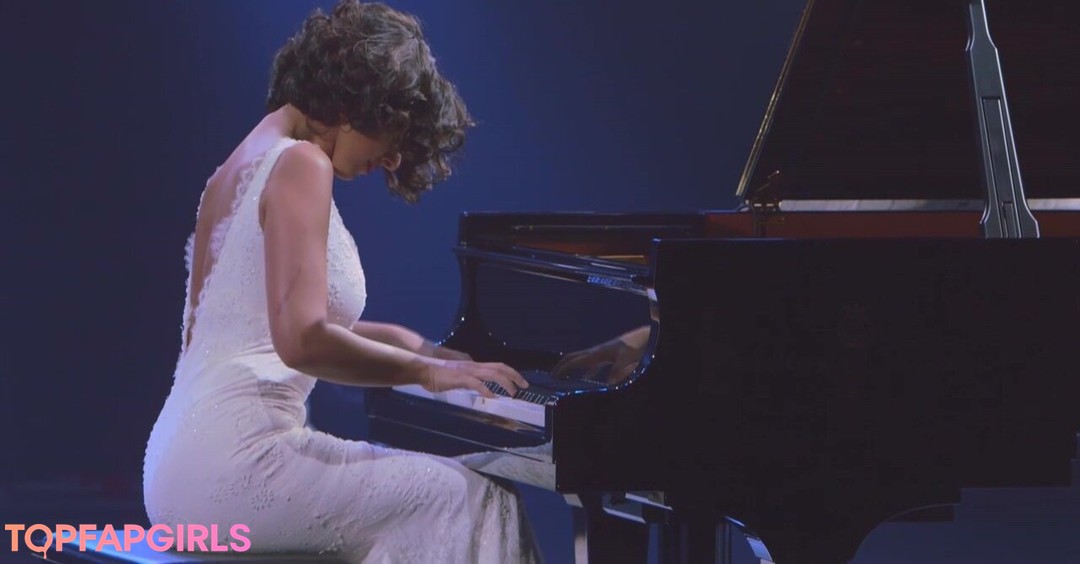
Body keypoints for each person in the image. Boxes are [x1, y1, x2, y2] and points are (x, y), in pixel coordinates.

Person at [142, 2, 541, 562]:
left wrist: (418, 347)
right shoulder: (302, 164)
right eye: (394, 131)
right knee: (476, 500)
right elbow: (302, 339)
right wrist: (429, 373)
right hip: (234, 465)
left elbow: (260, 327)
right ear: (359, 104)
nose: (394, 157)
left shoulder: (235, 170)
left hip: (177, 464)